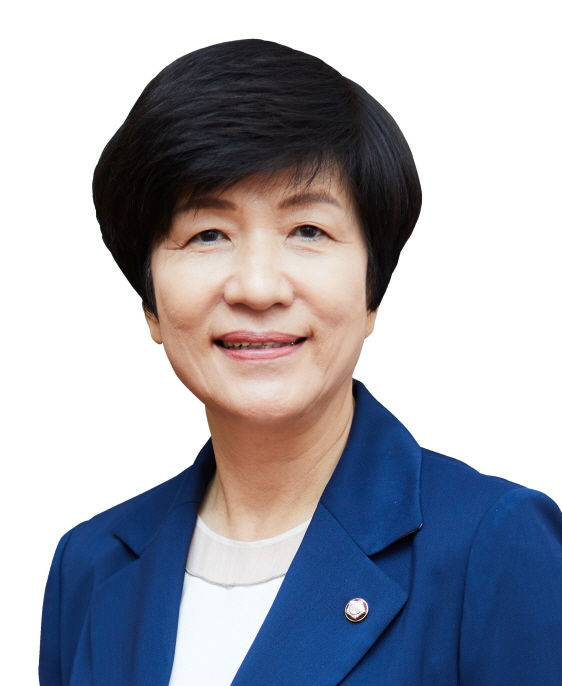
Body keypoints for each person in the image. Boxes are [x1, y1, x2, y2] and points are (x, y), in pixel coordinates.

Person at [39, 39, 562, 686]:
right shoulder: (90, 566)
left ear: (372, 290)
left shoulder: (496, 546)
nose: (258, 288)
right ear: (150, 304)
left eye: (308, 231)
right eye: (208, 234)